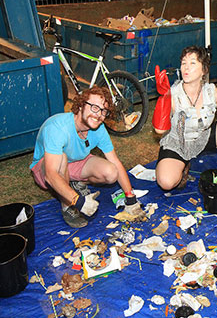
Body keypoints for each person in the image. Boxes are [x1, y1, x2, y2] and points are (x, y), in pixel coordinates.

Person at [30, 87, 141, 228]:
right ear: (81, 105)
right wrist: (77, 201)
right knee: (62, 158)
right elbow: (51, 175)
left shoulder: (99, 129)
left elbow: (115, 162)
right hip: (46, 168)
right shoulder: (57, 127)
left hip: (75, 162)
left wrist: (130, 197)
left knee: (111, 172)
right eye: (94, 108)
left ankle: (73, 182)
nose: (98, 115)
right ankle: (67, 207)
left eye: (103, 111)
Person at [153, 45, 217, 193]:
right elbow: (159, 130)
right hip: (178, 143)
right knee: (166, 183)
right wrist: (164, 98)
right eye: (184, 63)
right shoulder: (173, 94)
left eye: (192, 63)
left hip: (202, 138)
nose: (186, 67)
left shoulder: (212, 92)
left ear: (204, 70)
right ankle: (183, 165)